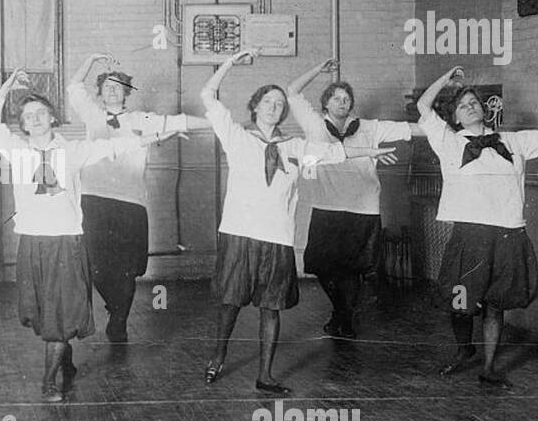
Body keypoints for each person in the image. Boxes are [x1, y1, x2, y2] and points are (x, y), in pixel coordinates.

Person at [201, 50, 394, 393]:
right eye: (268, 101)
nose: (275, 106)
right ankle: (217, 356)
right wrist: (230, 62)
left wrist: (370, 152)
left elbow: (334, 153)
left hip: (277, 237)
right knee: (230, 302)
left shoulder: (293, 146)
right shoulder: (237, 137)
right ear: (255, 106)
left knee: (271, 308)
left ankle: (265, 375)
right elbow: (208, 96)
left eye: (279, 102)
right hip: (239, 234)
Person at [0, 69, 163, 401]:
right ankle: (64, 361)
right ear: (22, 125)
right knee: (43, 315)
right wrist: (6, 87)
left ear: (53, 118)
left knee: (61, 315)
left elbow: (115, 147)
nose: (34, 119)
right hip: (32, 244)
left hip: (66, 243)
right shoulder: (17, 151)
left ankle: (48, 382)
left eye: (40, 113)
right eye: (27, 116)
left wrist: (152, 136)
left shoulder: (74, 151)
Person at [415, 66, 538, 387]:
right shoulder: (448, 142)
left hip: (508, 233)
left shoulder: (513, 141)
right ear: (455, 118)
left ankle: (489, 368)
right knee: (461, 301)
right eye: (462, 105)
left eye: (474, 102)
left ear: (485, 109)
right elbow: (423, 107)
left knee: (496, 305)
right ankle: (464, 351)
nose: (470, 107)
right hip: (470, 236)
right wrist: (445, 79)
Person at [66, 53, 210, 344]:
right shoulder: (93, 115)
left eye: (118, 85)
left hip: (131, 203)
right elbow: (73, 87)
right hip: (94, 200)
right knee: (95, 265)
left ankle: (119, 321)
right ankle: (116, 305)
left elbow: (180, 120)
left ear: (127, 92)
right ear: (100, 91)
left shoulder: (139, 119)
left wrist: (217, 124)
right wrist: (92, 59)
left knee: (128, 269)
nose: (112, 89)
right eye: (107, 85)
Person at [286, 59, 421, 338]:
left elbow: (410, 130)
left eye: (346, 99)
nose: (341, 102)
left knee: (353, 269)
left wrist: (450, 132)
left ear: (352, 104)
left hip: (363, 207)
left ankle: (345, 320)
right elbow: (292, 91)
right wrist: (318, 70)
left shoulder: (369, 127)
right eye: (336, 98)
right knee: (322, 266)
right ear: (325, 103)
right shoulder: (315, 125)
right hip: (327, 206)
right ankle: (342, 312)